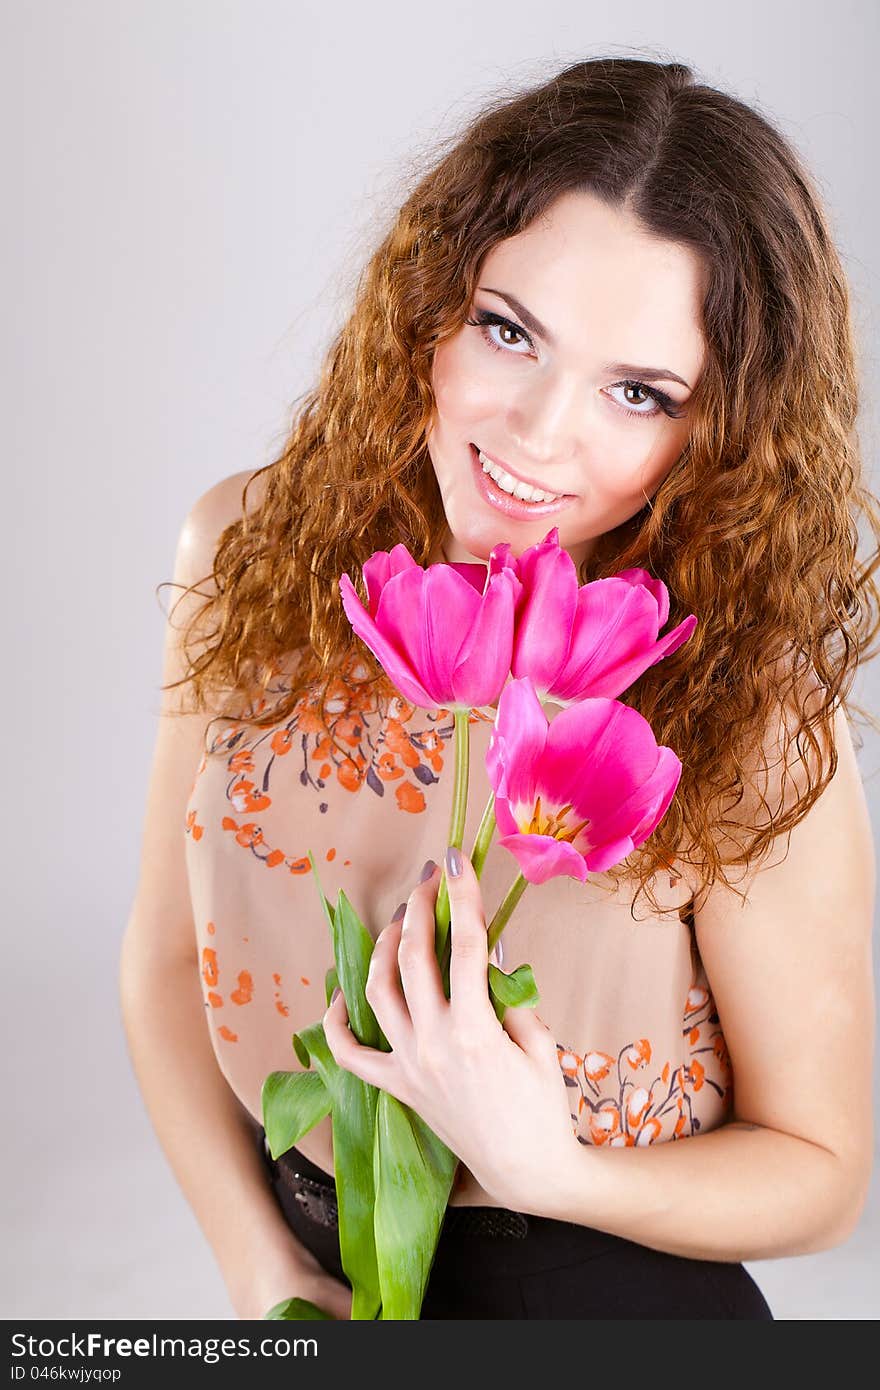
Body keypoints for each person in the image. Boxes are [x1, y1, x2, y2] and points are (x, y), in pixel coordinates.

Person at [120, 55, 878, 1321]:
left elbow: (821, 1174)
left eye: (637, 393)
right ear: (429, 301)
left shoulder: (747, 702)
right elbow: (160, 961)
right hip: (314, 1281)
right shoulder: (251, 549)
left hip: (598, 1295)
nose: (534, 436)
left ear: (719, 434)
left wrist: (554, 1169)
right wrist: (260, 1269)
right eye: (508, 330)